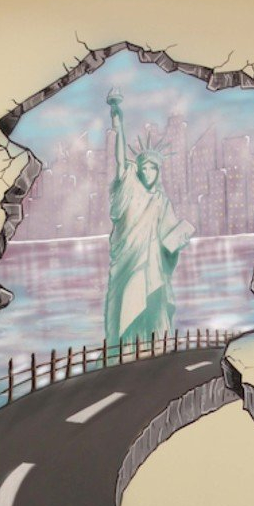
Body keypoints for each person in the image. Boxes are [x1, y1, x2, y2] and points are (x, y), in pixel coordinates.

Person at [103, 91, 192, 348]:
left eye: (153, 167)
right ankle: (126, 351)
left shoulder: (161, 201)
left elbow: (169, 236)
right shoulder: (130, 187)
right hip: (128, 260)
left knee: (153, 306)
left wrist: (178, 240)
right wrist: (118, 125)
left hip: (152, 264)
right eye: (144, 167)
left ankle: (152, 350)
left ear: (159, 171)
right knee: (127, 304)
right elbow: (121, 161)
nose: (148, 172)